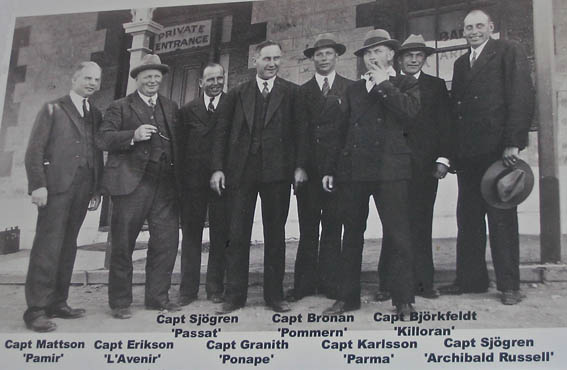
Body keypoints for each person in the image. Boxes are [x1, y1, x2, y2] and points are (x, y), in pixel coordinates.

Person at [321, 29, 420, 317]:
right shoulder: (352, 90)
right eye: (367, 53)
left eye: (377, 51)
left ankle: (403, 299)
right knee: (351, 235)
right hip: (355, 172)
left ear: (391, 54)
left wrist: (384, 84)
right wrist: (330, 169)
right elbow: (340, 132)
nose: (371, 57)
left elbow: (410, 114)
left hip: (391, 171)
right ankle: (347, 297)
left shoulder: (405, 82)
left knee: (398, 235)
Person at [439, 9, 535, 305]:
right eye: (468, 27)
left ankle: (509, 286)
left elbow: (521, 96)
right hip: (468, 155)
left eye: (479, 26)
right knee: (468, 219)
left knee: (501, 218)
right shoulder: (460, 63)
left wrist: (513, 142)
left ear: (491, 27)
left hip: (498, 153)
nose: (474, 31)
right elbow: (457, 111)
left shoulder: (508, 51)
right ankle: (471, 280)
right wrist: (453, 154)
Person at [210, 40, 308, 314]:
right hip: (240, 173)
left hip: (277, 173)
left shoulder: (291, 93)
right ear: (256, 60)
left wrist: (300, 166)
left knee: (275, 235)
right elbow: (221, 134)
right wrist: (218, 168)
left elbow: (301, 132)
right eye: (267, 58)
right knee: (237, 234)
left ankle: (274, 296)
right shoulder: (237, 93)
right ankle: (234, 297)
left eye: (277, 58)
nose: (272, 63)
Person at [97, 54, 181, 319]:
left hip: (164, 186)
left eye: (157, 76)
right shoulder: (120, 107)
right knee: (123, 244)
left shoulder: (170, 106)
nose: (153, 81)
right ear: (137, 79)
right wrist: (132, 136)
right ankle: (121, 302)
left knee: (166, 242)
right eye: (147, 76)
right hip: (131, 185)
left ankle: (158, 298)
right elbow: (103, 138)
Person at [23, 61, 104, 332]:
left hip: (82, 189)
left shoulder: (95, 113)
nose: (92, 83)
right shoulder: (53, 108)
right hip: (55, 188)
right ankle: (35, 310)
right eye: (87, 78)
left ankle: (58, 301)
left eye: (96, 79)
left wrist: (96, 188)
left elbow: (95, 151)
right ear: (74, 79)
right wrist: (38, 185)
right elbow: (35, 150)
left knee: (68, 245)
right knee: (47, 247)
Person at [375, 34, 451, 301]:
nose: (414, 59)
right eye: (409, 55)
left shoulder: (436, 86)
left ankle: (423, 282)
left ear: (425, 59)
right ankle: (388, 283)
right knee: (393, 225)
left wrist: (443, 159)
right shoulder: (388, 84)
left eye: (419, 55)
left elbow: (445, 124)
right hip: (394, 165)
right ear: (399, 58)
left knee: (421, 222)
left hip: (424, 166)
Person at [287, 33, 353, 302]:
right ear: (312, 58)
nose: (324, 58)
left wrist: (337, 170)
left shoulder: (350, 88)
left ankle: (330, 282)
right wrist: (299, 167)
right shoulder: (301, 92)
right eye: (319, 54)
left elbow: (349, 133)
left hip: (336, 172)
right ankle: (303, 284)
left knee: (333, 226)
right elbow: (298, 133)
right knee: (308, 228)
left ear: (337, 56)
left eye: (328, 54)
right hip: (310, 172)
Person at [178, 63, 228, 305]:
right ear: (201, 83)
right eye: (211, 79)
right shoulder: (188, 110)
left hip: (223, 181)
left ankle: (215, 287)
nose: (216, 83)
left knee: (220, 235)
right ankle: (188, 290)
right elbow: (181, 147)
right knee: (191, 235)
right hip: (193, 183)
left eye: (220, 78)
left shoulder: (233, 105)